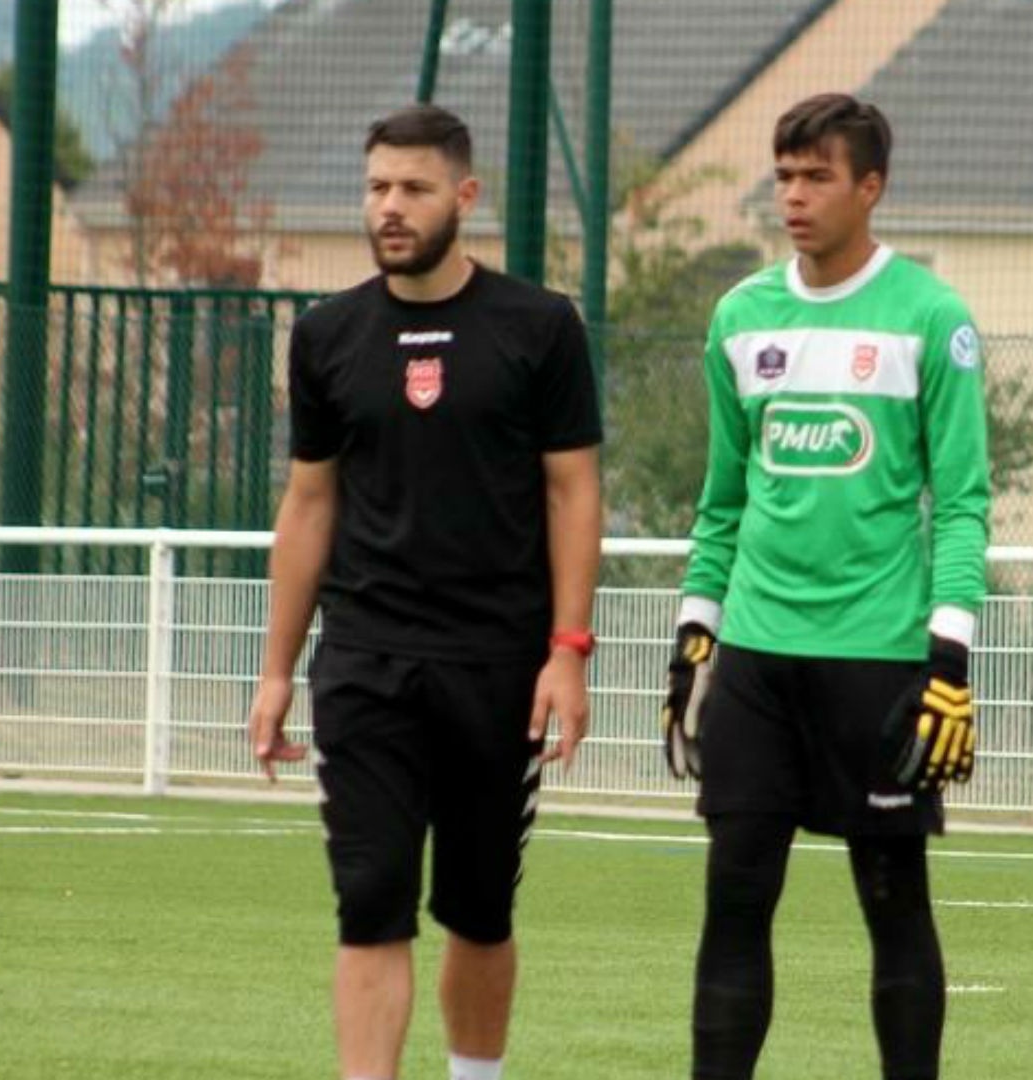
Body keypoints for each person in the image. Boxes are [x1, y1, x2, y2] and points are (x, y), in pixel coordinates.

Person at [246, 103, 603, 1080]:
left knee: (480, 909)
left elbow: (574, 491)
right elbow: (309, 504)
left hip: (499, 664)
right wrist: (277, 669)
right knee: (369, 900)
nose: (390, 208)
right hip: (364, 663)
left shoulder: (540, 327)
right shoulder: (326, 336)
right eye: (376, 188)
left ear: (465, 195)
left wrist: (568, 653)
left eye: (413, 188)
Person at [661, 93, 989, 1080]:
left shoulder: (932, 319)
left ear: (870, 187)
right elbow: (721, 504)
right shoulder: (739, 318)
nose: (792, 196)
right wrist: (695, 633)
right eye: (784, 174)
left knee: (894, 901)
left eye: (816, 176)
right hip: (758, 660)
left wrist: (949, 653)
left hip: (880, 661)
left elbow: (964, 501)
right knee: (734, 896)